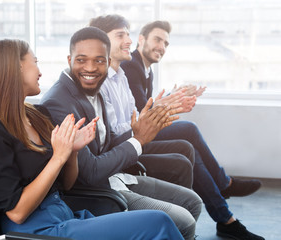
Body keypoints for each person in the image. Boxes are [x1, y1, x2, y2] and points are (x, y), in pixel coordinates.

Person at [0, 38, 183, 240]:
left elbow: (66, 184)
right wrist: (58, 158)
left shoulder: (36, 115)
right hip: (36, 230)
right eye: (35, 63)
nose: (40, 71)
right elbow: (17, 213)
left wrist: (71, 152)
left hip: (64, 215)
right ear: (15, 68)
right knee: (158, 222)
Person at [41, 27, 203, 239]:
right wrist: (138, 139)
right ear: (70, 59)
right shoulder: (58, 102)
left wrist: (140, 128)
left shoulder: (93, 89)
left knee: (193, 203)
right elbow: (89, 173)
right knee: (184, 221)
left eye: (99, 60)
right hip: (93, 192)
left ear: (108, 62)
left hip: (114, 177)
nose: (90, 68)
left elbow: (105, 145)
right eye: (81, 60)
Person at [121, 20, 264, 240]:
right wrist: (174, 99)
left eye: (166, 43)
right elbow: (144, 115)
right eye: (157, 39)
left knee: (189, 140)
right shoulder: (131, 67)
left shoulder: (146, 70)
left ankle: (225, 208)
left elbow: (148, 109)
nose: (162, 47)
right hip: (132, 138)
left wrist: (176, 96)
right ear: (141, 39)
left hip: (140, 132)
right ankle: (224, 190)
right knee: (188, 130)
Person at [90, 14, 197, 191]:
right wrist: (152, 114)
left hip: (132, 140)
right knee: (181, 164)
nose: (129, 41)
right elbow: (114, 135)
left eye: (127, 35)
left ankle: (176, 203)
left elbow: (135, 115)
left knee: (185, 148)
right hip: (120, 152)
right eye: (120, 35)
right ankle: (179, 209)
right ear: (100, 40)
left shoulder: (121, 76)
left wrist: (155, 112)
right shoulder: (101, 82)